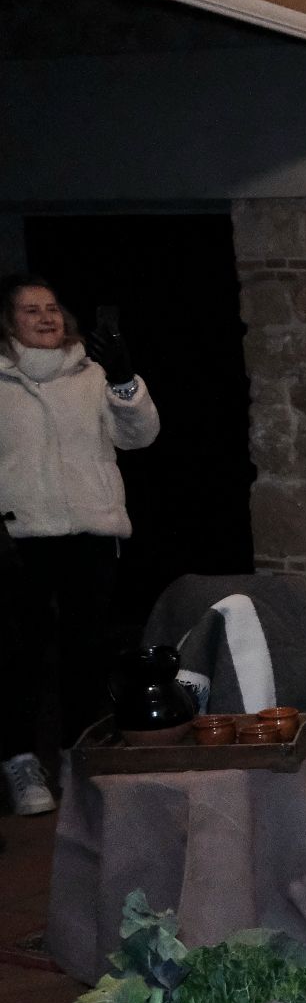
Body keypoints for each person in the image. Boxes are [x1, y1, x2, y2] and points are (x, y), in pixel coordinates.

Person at [0, 273, 158, 815]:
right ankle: (20, 762)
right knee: (19, 655)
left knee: (85, 652)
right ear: (8, 321)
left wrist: (123, 379)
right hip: (19, 537)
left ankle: (77, 755)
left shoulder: (92, 375)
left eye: (51, 307)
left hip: (90, 532)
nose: (46, 317)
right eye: (30, 310)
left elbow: (140, 436)